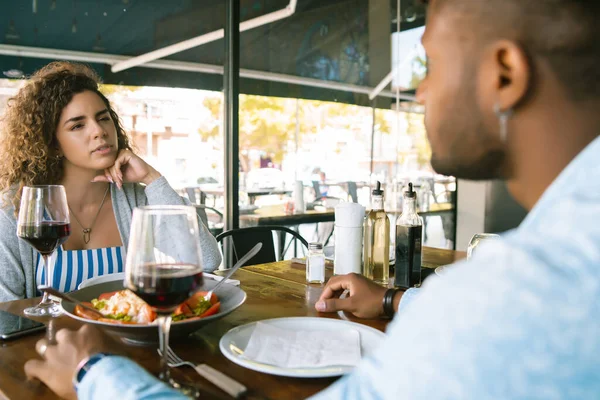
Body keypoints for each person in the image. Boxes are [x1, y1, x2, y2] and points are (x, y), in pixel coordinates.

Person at [25, 0, 600, 398]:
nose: (418, 89)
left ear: (505, 73)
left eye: (430, 63)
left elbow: (198, 266)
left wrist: (92, 371)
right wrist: (398, 302)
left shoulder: (527, 291)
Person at [0, 61, 221, 302]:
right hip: (46, 339)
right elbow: (6, 316)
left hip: (131, 337)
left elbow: (207, 261)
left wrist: (151, 178)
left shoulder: (134, 199)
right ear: (52, 145)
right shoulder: (18, 208)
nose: (99, 131)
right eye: (78, 125)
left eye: (103, 118)